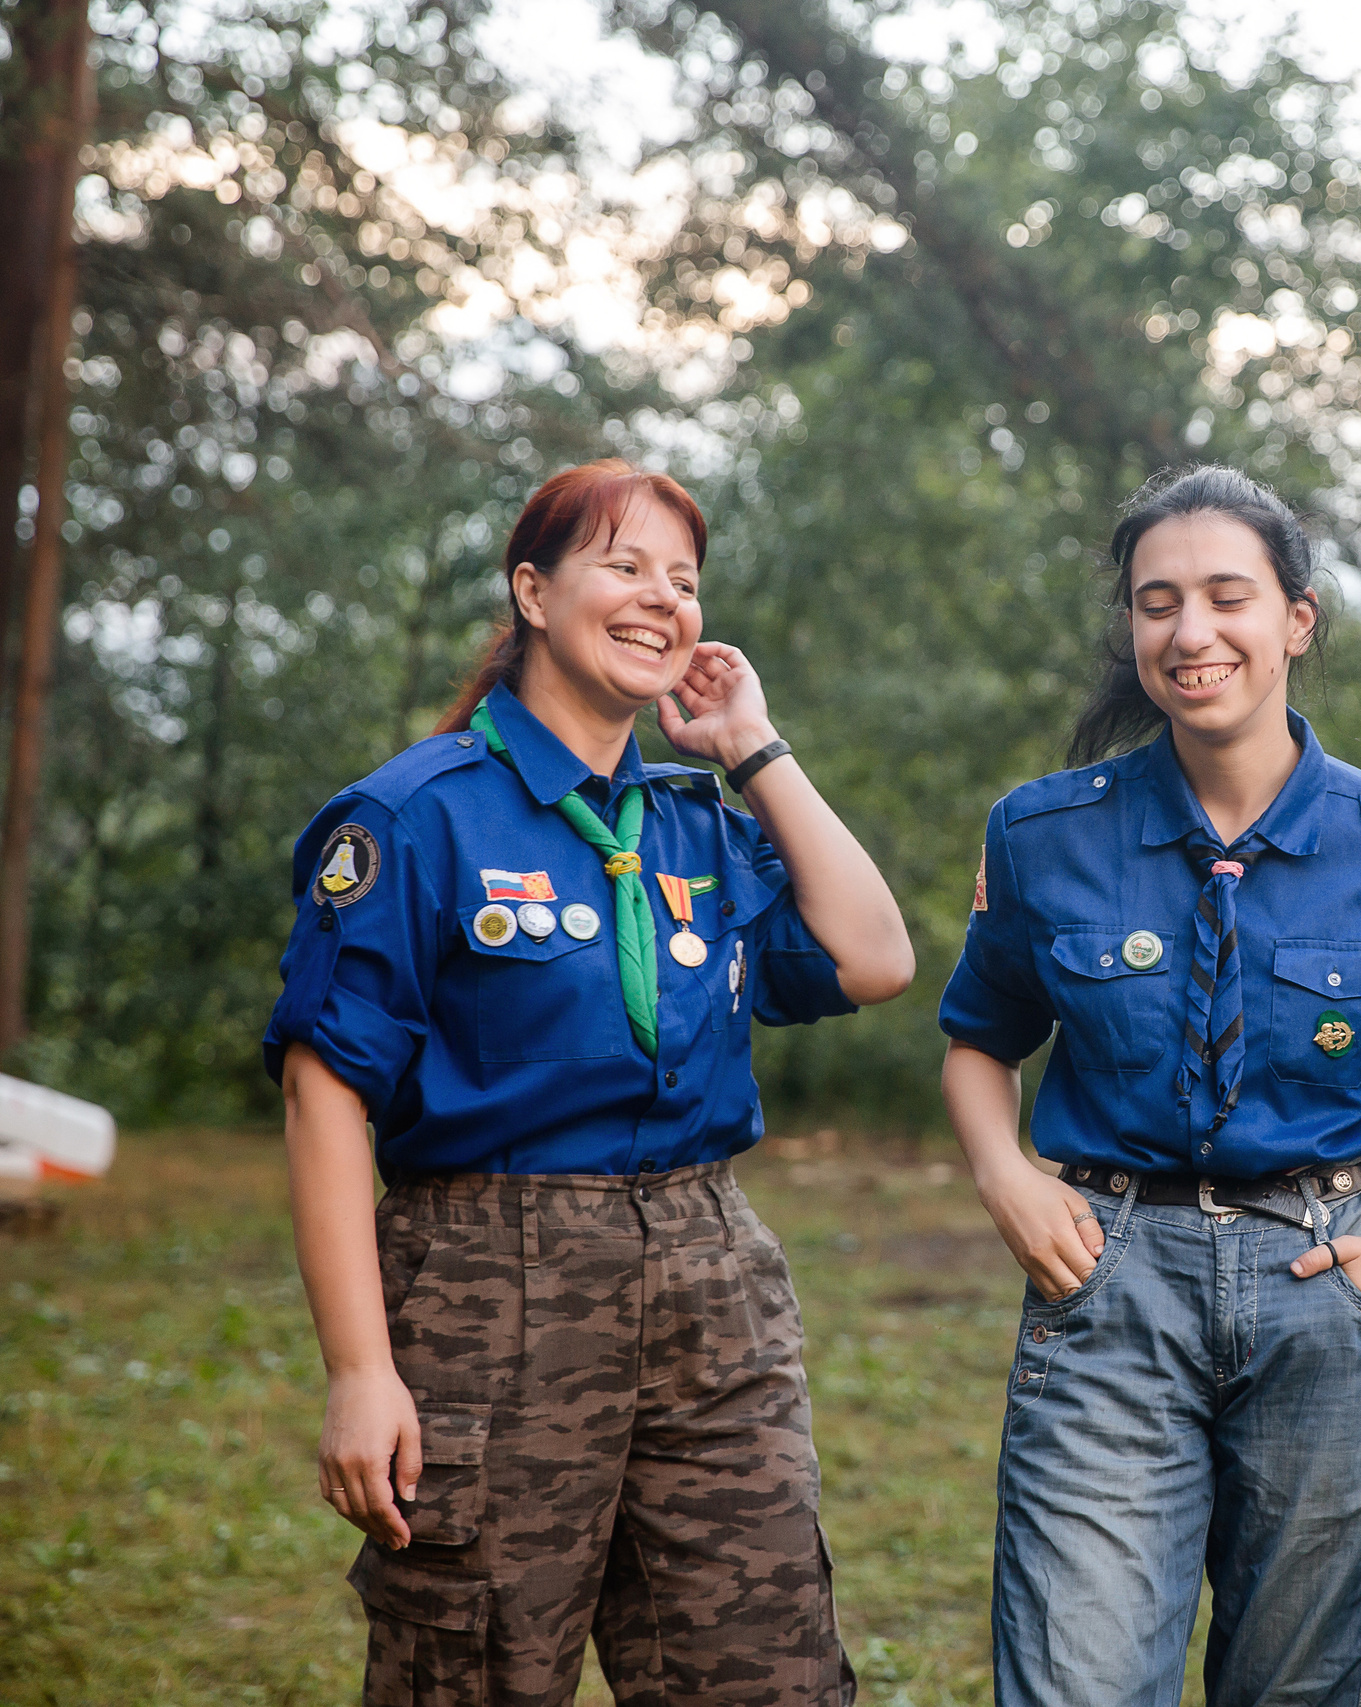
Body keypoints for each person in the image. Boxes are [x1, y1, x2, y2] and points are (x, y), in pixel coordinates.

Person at [265, 459, 912, 1707]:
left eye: (684, 579)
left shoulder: (694, 824)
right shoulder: (416, 816)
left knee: (764, 1669)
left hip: (709, 1279)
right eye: (623, 566)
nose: (662, 600)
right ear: (532, 593)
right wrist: (361, 1369)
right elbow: (323, 1096)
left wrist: (756, 750)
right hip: (489, 1286)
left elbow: (872, 957)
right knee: (476, 1668)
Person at [938, 465, 1361, 1707]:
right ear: (1130, 628)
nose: (1190, 632)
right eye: (1155, 601)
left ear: (1296, 619)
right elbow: (977, 1037)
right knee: (1077, 1680)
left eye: (1228, 596)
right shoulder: (1042, 833)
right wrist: (1007, 1176)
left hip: (1337, 1293)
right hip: (1107, 1285)